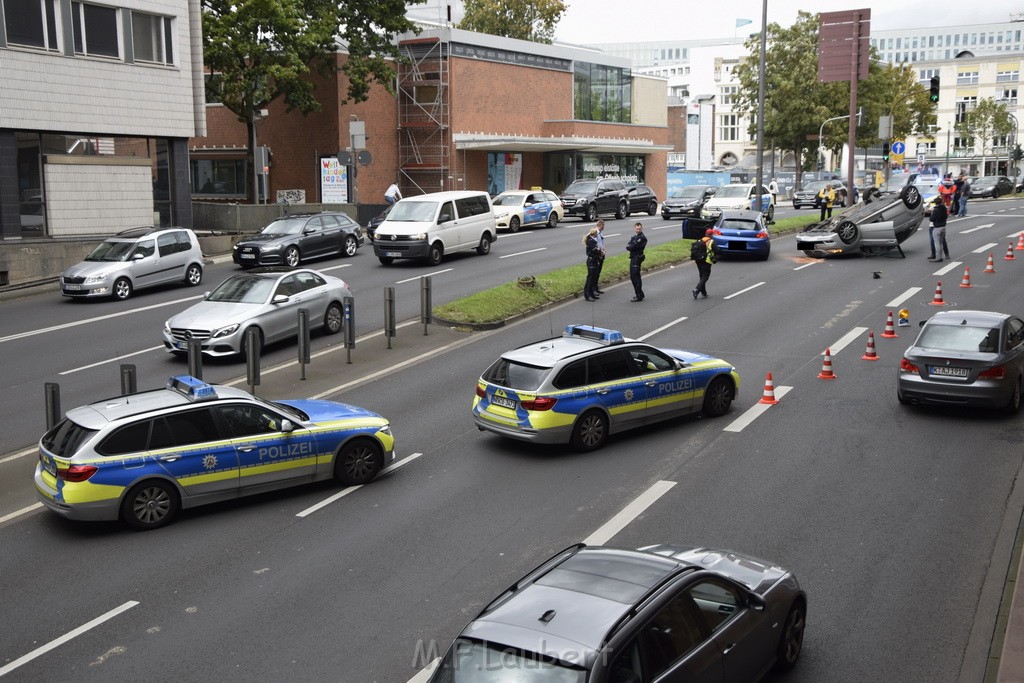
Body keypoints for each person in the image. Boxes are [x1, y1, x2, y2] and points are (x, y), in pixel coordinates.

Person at [692, 228, 718, 300]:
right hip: (706, 261)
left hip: (698, 261)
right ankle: (696, 289)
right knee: (705, 277)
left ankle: (704, 293)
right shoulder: (711, 242)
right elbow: (718, 250)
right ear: (711, 235)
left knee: (701, 276)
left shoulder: (700, 240)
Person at [626, 222, 647, 302]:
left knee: (635, 277)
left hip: (637, 258)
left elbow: (633, 246)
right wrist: (631, 245)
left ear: (642, 228)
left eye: (639, 229)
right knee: (633, 276)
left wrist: (631, 245)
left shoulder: (642, 238)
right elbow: (628, 246)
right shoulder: (634, 237)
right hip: (633, 258)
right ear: (634, 228)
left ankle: (639, 295)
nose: (638, 230)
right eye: (637, 229)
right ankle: (640, 294)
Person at [582, 227, 602, 301]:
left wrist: (599, 250)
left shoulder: (593, 240)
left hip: (595, 260)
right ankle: (587, 294)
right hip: (591, 261)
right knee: (590, 278)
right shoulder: (591, 241)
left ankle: (591, 293)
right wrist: (599, 250)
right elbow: (595, 250)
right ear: (594, 234)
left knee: (593, 277)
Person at [593, 219, 607, 294]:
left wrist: (604, 250)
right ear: (601, 225)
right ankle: (593, 289)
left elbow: (601, 243)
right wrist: (601, 251)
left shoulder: (600, 233)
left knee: (598, 272)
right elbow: (595, 244)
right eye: (603, 225)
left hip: (601, 254)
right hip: (597, 255)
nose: (604, 227)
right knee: (595, 273)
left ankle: (596, 287)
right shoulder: (595, 233)